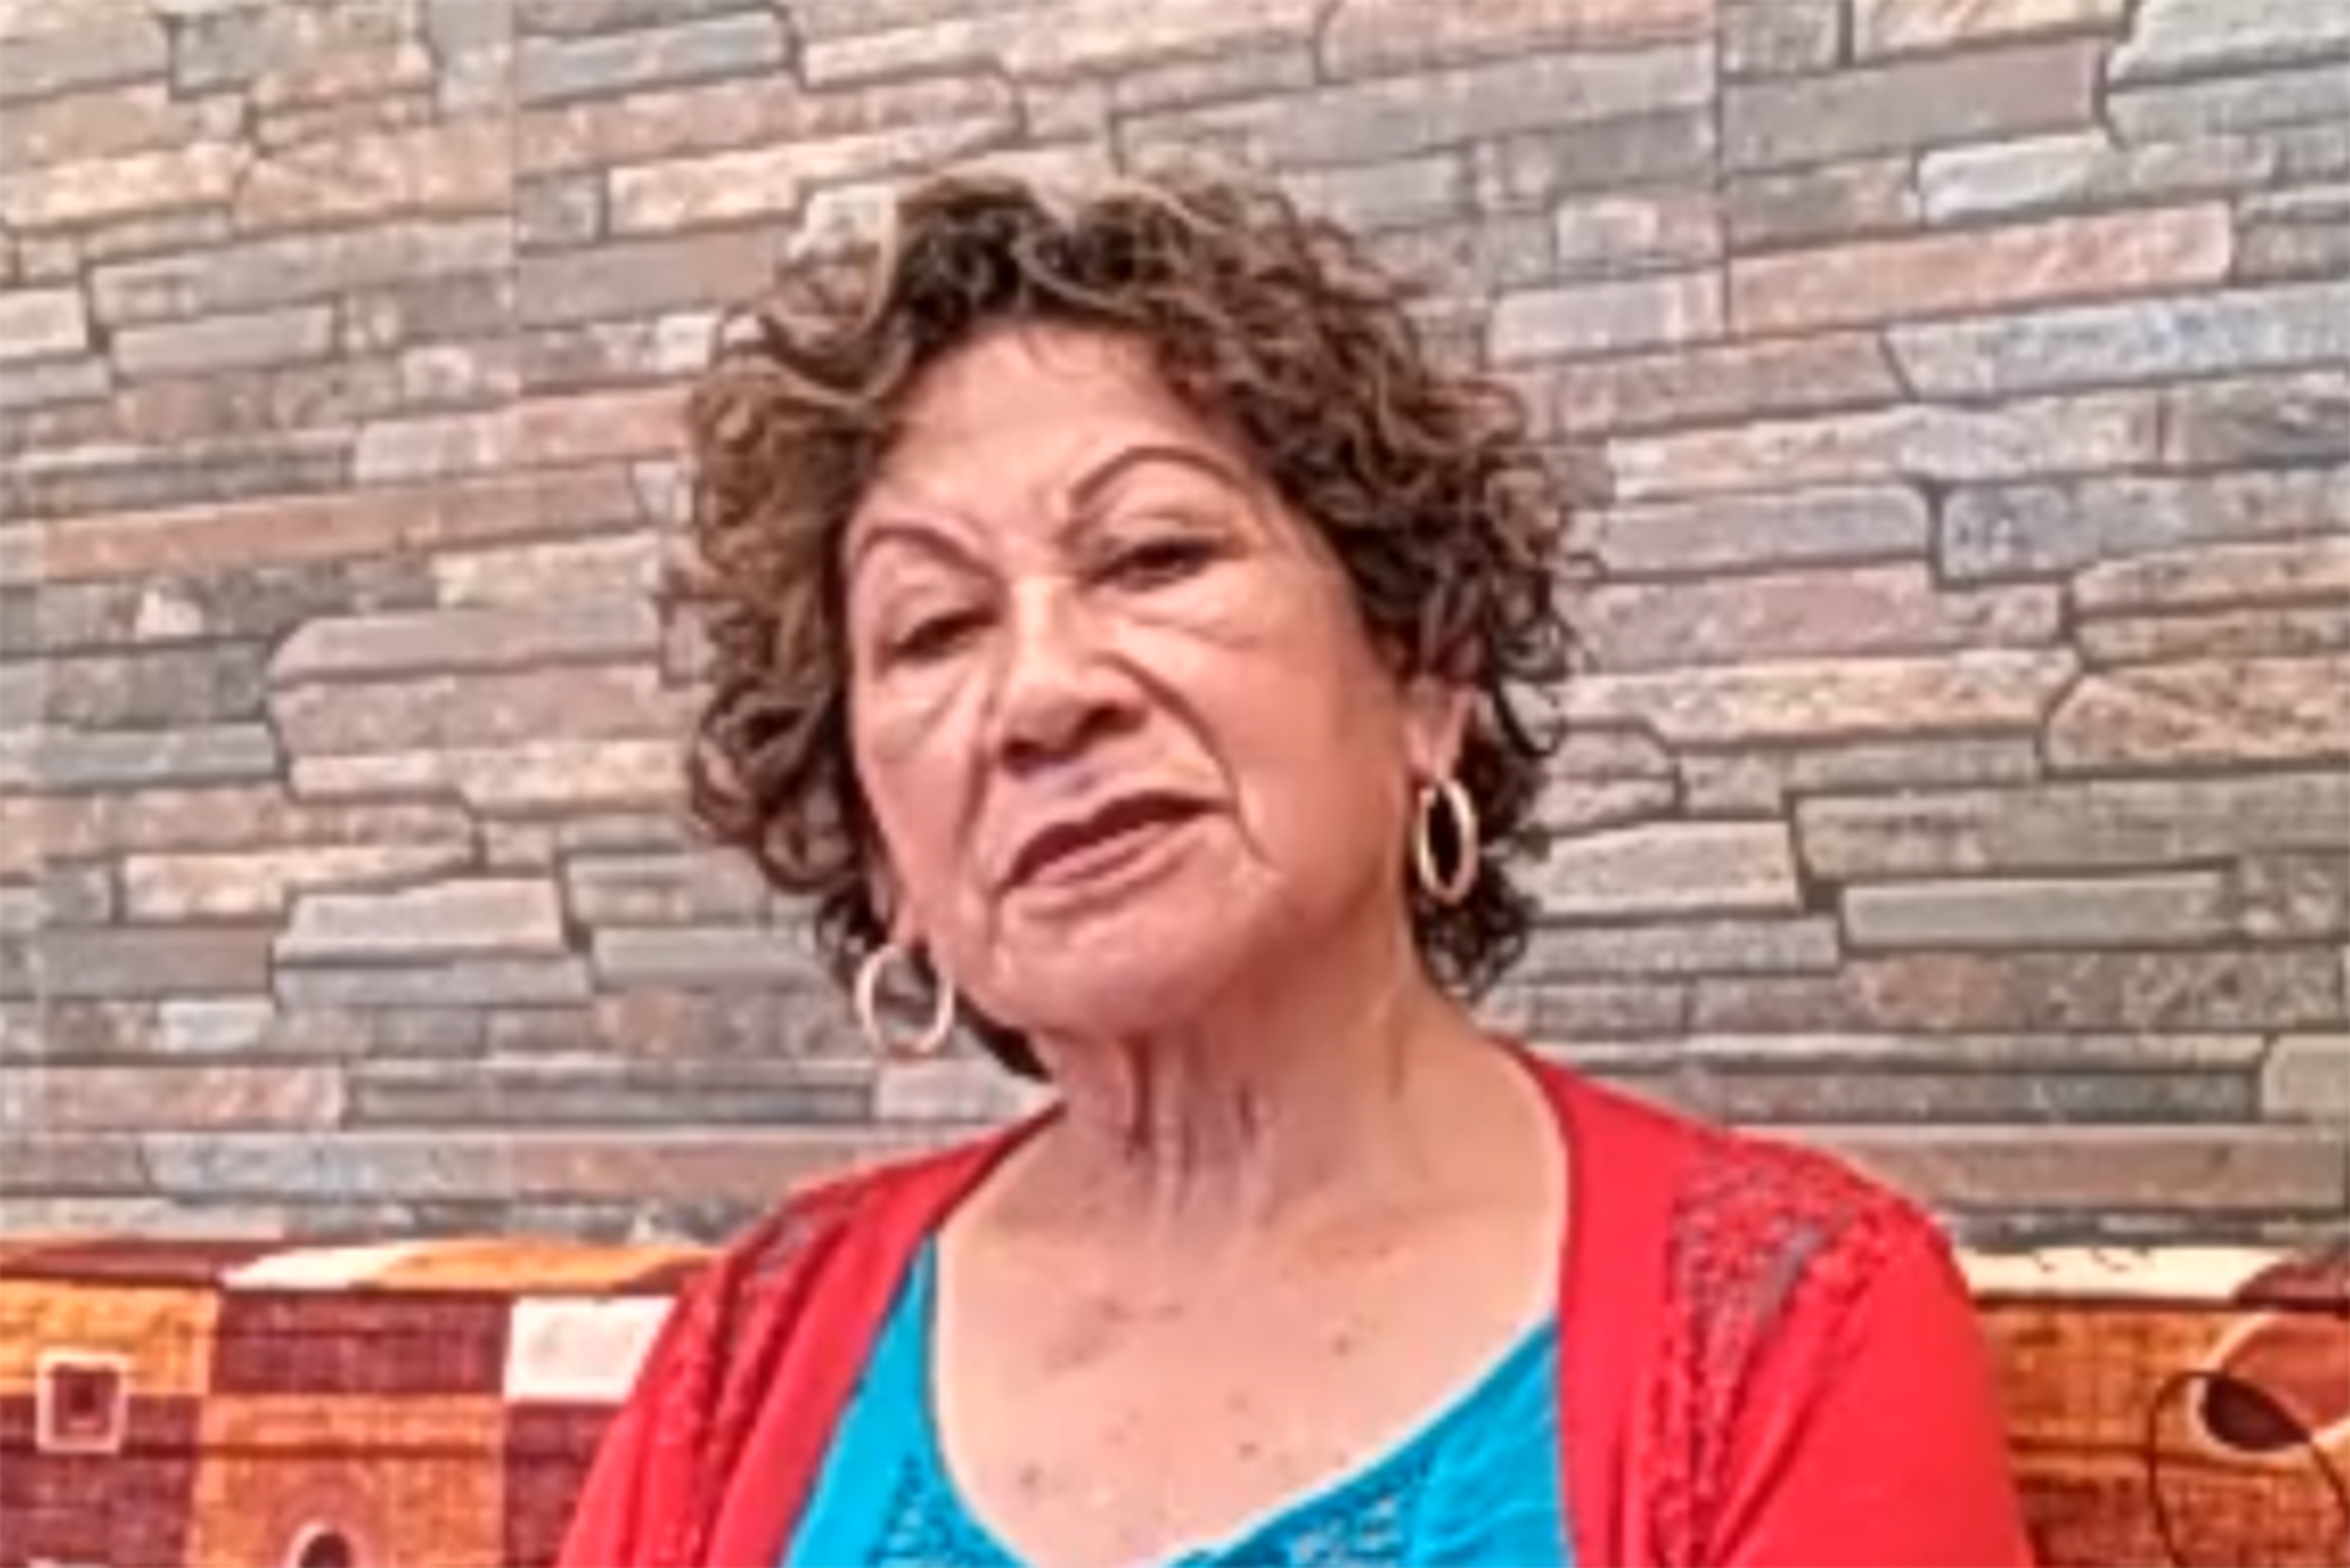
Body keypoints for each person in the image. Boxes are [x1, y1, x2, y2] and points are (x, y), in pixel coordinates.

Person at [557, 170, 2034, 1568]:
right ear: (883, 858)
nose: (1041, 694)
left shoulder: (1788, 1324)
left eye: (1152, 557)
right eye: (934, 630)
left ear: (1423, 673)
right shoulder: (751, 1352)